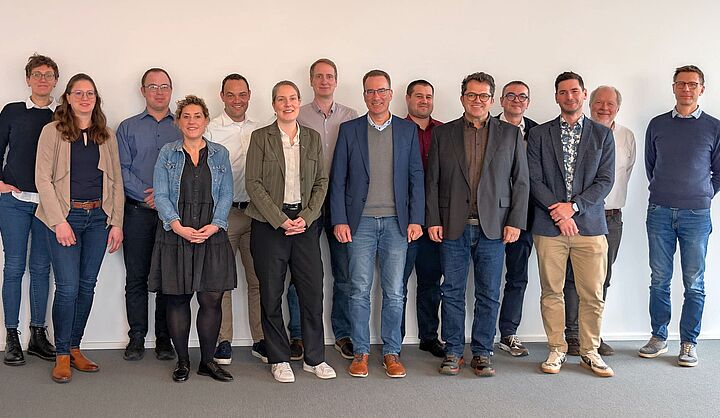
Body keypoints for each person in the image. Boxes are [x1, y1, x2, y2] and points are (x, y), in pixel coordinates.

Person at [426, 72, 529, 377]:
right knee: (452, 291)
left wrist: (515, 222)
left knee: (488, 293)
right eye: (471, 95)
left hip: (494, 227)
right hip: (452, 225)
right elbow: (432, 182)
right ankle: (454, 351)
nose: (477, 100)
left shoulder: (510, 135)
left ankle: (483, 352)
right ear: (462, 98)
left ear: (492, 100)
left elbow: (521, 182)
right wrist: (433, 219)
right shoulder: (443, 134)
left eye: (483, 96)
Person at [330, 70, 425, 378]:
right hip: (360, 224)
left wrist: (417, 219)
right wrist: (339, 219)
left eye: (381, 91)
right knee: (359, 289)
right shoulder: (349, 130)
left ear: (390, 94)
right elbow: (338, 178)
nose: (376, 96)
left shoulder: (407, 130)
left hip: (398, 223)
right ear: (364, 95)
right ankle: (360, 352)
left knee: (394, 291)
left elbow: (416, 177)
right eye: (370, 91)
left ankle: (392, 353)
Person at [35, 73, 124, 383]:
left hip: (99, 219)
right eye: (79, 93)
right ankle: (61, 354)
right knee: (68, 287)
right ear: (68, 98)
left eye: (90, 93)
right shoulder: (52, 132)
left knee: (87, 286)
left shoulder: (106, 135)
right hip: (65, 217)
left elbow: (116, 181)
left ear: (96, 99)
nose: (85, 98)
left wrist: (117, 222)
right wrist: (59, 221)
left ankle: (75, 347)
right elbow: (42, 179)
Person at [527, 71, 615, 377]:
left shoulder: (602, 134)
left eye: (575, 91)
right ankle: (557, 348)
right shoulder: (539, 134)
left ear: (584, 94)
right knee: (551, 292)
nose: (569, 96)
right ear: (556, 97)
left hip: (589, 226)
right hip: (549, 227)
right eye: (563, 92)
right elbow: (533, 179)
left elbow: (605, 180)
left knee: (593, 294)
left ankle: (590, 351)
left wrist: (573, 208)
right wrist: (559, 212)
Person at [246, 81, 335, 383]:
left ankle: (315, 358)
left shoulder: (311, 137)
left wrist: (306, 217)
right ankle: (279, 358)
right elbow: (253, 183)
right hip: (270, 225)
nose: (288, 104)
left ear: (299, 102)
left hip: (305, 225)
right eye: (281, 99)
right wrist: (280, 219)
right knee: (271, 293)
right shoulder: (261, 137)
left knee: (312, 292)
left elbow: (321, 182)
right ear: (273, 105)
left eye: (293, 98)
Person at [149, 95, 236, 383]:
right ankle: (183, 361)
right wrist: (177, 226)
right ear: (178, 122)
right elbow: (161, 194)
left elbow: (226, 194)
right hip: (177, 233)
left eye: (197, 116)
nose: (192, 121)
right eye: (186, 116)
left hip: (211, 233)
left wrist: (215, 225)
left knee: (211, 298)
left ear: (206, 120)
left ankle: (207, 362)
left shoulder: (220, 153)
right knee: (177, 299)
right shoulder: (167, 153)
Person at [639, 65, 720, 367]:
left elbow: (718, 172)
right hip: (659, 211)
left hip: (696, 214)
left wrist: (701, 194)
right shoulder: (657, 124)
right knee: (659, 279)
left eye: (692, 84)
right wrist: (667, 191)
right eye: (681, 83)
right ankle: (658, 337)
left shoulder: (714, 127)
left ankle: (688, 343)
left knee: (694, 281)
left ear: (702, 89)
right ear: (673, 87)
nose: (686, 89)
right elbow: (651, 166)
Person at [564, 85, 636, 356]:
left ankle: (592, 335)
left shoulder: (627, 136)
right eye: (599, 102)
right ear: (589, 103)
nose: (604, 108)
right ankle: (572, 334)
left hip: (611, 218)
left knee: (601, 279)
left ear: (618, 107)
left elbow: (625, 174)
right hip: (580, 216)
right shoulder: (578, 132)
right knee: (573, 278)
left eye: (610, 104)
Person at [295, 58, 358, 360]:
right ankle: (298, 334)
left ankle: (342, 333)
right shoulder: (298, 114)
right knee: (301, 273)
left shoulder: (351, 116)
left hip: (341, 203)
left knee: (344, 274)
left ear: (336, 80)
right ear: (311, 80)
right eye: (318, 76)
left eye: (329, 76)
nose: (324, 81)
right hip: (306, 201)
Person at [117, 68, 180, 362]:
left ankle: (164, 338)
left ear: (171, 90)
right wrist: (149, 195)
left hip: (173, 215)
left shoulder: (182, 125)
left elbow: (190, 166)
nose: (159, 91)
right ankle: (137, 336)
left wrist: (165, 197)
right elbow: (121, 169)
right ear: (143, 91)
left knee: (168, 277)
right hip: (137, 213)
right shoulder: (127, 128)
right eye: (152, 86)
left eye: (164, 86)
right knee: (137, 277)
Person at [0, 54, 59, 366]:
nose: (42, 79)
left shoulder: (61, 114)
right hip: (14, 201)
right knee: (13, 267)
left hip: (48, 204)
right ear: (27, 79)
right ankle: (11, 335)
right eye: (37, 74)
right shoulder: (12, 111)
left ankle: (38, 334)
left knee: (41, 268)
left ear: (55, 81)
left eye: (48, 75)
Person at [206, 74, 265, 365]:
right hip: (224, 213)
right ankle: (224, 340)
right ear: (222, 96)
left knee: (259, 280)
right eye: (231, 95)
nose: (237, 100)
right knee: (222, 280)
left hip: (256, 213)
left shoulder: (261, 129)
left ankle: (261, 339)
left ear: (249, 95)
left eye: (242, 94)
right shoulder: (210, 130)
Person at [400, 79, 444, 358]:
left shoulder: (444, 131)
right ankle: (395, 341)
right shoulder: (398, 130)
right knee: (397, 285)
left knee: (431, 283)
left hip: (435, 221)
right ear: (408, 99)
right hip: (404, 220)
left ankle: (429, 336)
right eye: (419, 96)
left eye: (428, 96)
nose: (424, 101)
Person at [494, 80, 538, 357]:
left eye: (522, 96)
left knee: (517, 277)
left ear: (528, 102)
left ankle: (508, 332)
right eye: (510, 95)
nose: (516, 100)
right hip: (488, 216)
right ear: (501, 100)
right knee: (482, 280)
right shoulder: (487, 127)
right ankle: (478, 335)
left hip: (524, 217)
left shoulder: (538, 132)